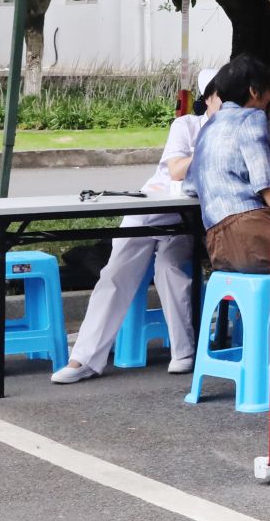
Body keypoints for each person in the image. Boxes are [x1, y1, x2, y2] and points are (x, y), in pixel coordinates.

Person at [51, 67, 217, 383]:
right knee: (115, 273)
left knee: (170, 268)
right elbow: (176, 170)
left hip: (186, 220)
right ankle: (83, 359)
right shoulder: (186, 125)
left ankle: (184, 352)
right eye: (223, 96)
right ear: (208, 98)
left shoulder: (240, 127)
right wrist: (212, 143)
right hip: (150, 207)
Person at [190, 54, 270, 274]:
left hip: (217, 244)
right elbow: (266, 187)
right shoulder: (252, 118)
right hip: (252, 233)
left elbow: (190, 185)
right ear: (254, 91)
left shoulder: (208, 127)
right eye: (269, 90)